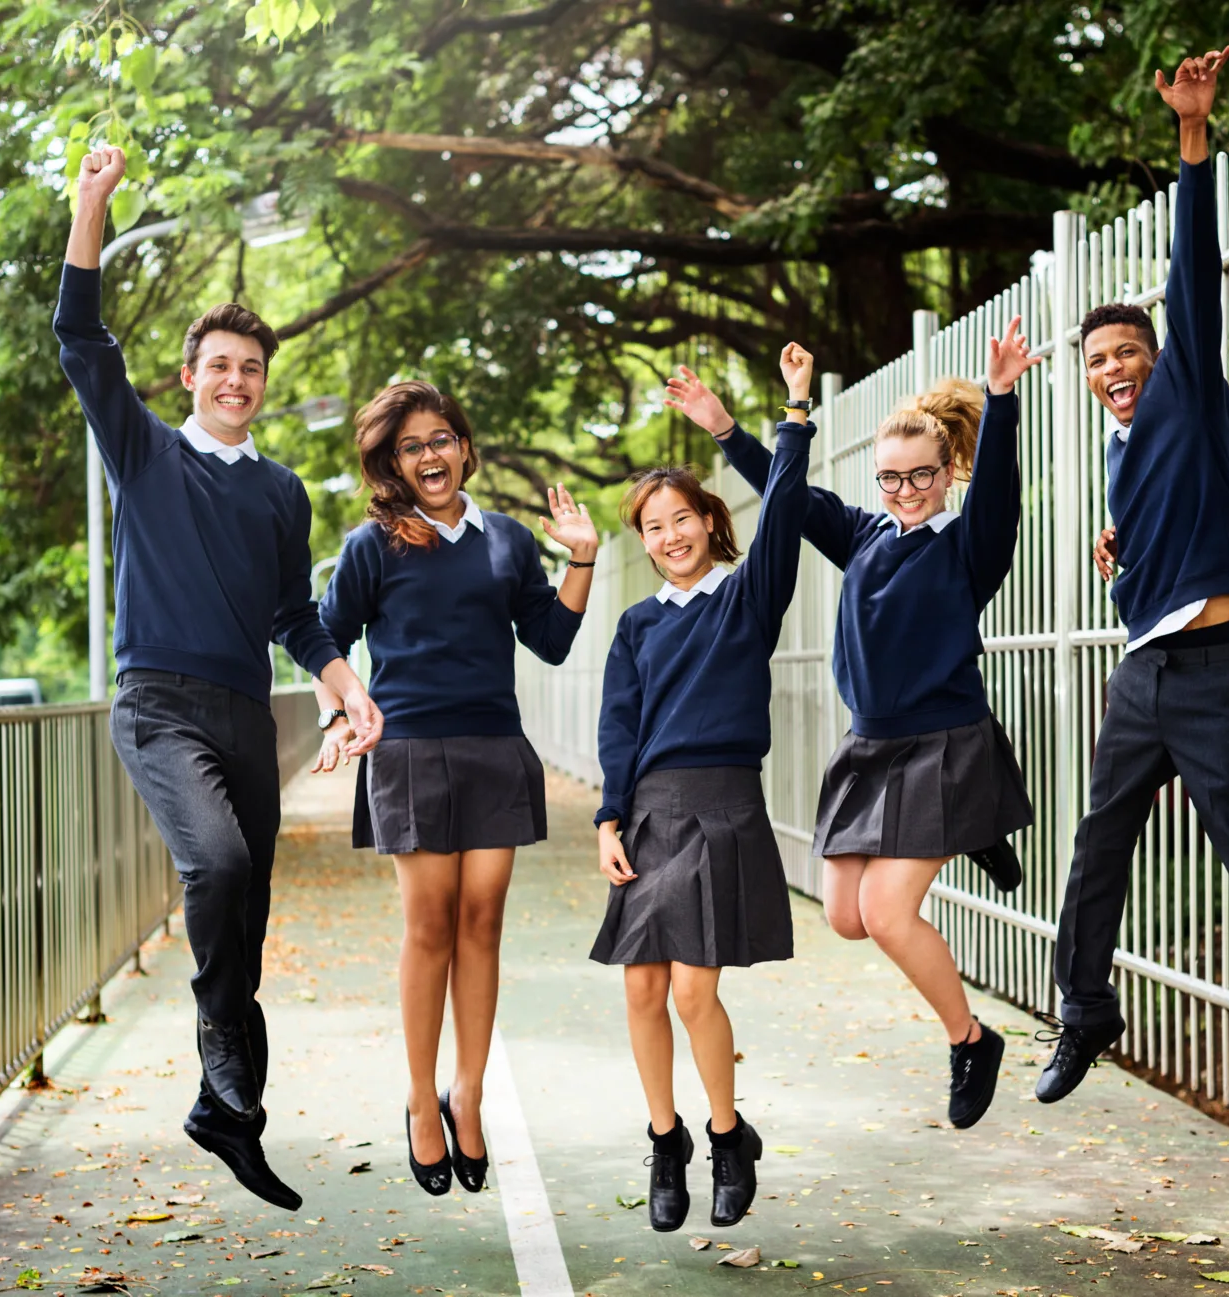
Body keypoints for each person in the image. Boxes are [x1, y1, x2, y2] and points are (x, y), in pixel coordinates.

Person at [55, 146, 382, 1211]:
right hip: (160, 706)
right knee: (222, 866)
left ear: (262, 385)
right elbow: (79, 338)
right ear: (189, 376)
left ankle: (227, 1112)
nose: (234, 380)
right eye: (217, 366)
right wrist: (92, 207)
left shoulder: (283, 492)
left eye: (250, 369)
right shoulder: (145, 451)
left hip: (248, 713)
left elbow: (296, 614)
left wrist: (343, 683)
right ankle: (222, 1059)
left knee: (247, 910)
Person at [1043, 47, 1229, 1176]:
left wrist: (1193, 138)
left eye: (1128, 352)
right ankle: (1084, 1014)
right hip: (1140, 679)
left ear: (1160, 360)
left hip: (1211, 674)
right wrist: (1120, 552)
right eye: (1099, 358)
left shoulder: (1187, 393)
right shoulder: (1120, 458)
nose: (1114, 367)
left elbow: (1191, 276)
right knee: (1093, 852)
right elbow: (1151, 539)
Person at [686, 318, 1039, 1130]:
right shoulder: (866, 532)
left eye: (921, 477)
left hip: (943, 744)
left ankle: (970, 1038)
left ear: (948, 471)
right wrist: (735, 427)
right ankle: (975, 832)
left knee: (886, 913)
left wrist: (1003, 396)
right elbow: (790, 496)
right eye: (890, 479)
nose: (905, 493)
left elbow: (1002, 490)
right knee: (845, 915)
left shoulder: (969, 545)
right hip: (869, 745)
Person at [313, 381, 595, 1196]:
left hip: (493, 746)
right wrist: (343, 714)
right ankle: (420, 1100)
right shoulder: (372, 546)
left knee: (483, 920)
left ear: (465, 448)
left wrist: (580, 557)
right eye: (411, 446)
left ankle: (467, 1092)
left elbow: (549, 637)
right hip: (406, 749)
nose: (429, 455)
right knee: (429, 924)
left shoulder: (506, 538)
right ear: (392, 463)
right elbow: (327, 636)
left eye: (441, 439)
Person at [591, 344, 815, 1234]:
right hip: (649, 812)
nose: (670, 535)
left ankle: (728, 1134)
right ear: (643, 543)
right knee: (641, 991)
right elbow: (619, 729)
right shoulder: (637, 625)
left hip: (723, 807)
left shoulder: (747, 597)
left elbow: (790, 508)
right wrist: (611, 816)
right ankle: (665, 1140)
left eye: (681, 517)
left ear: (709, 522)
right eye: (653, 526)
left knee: (692, 992)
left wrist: (784, 414)